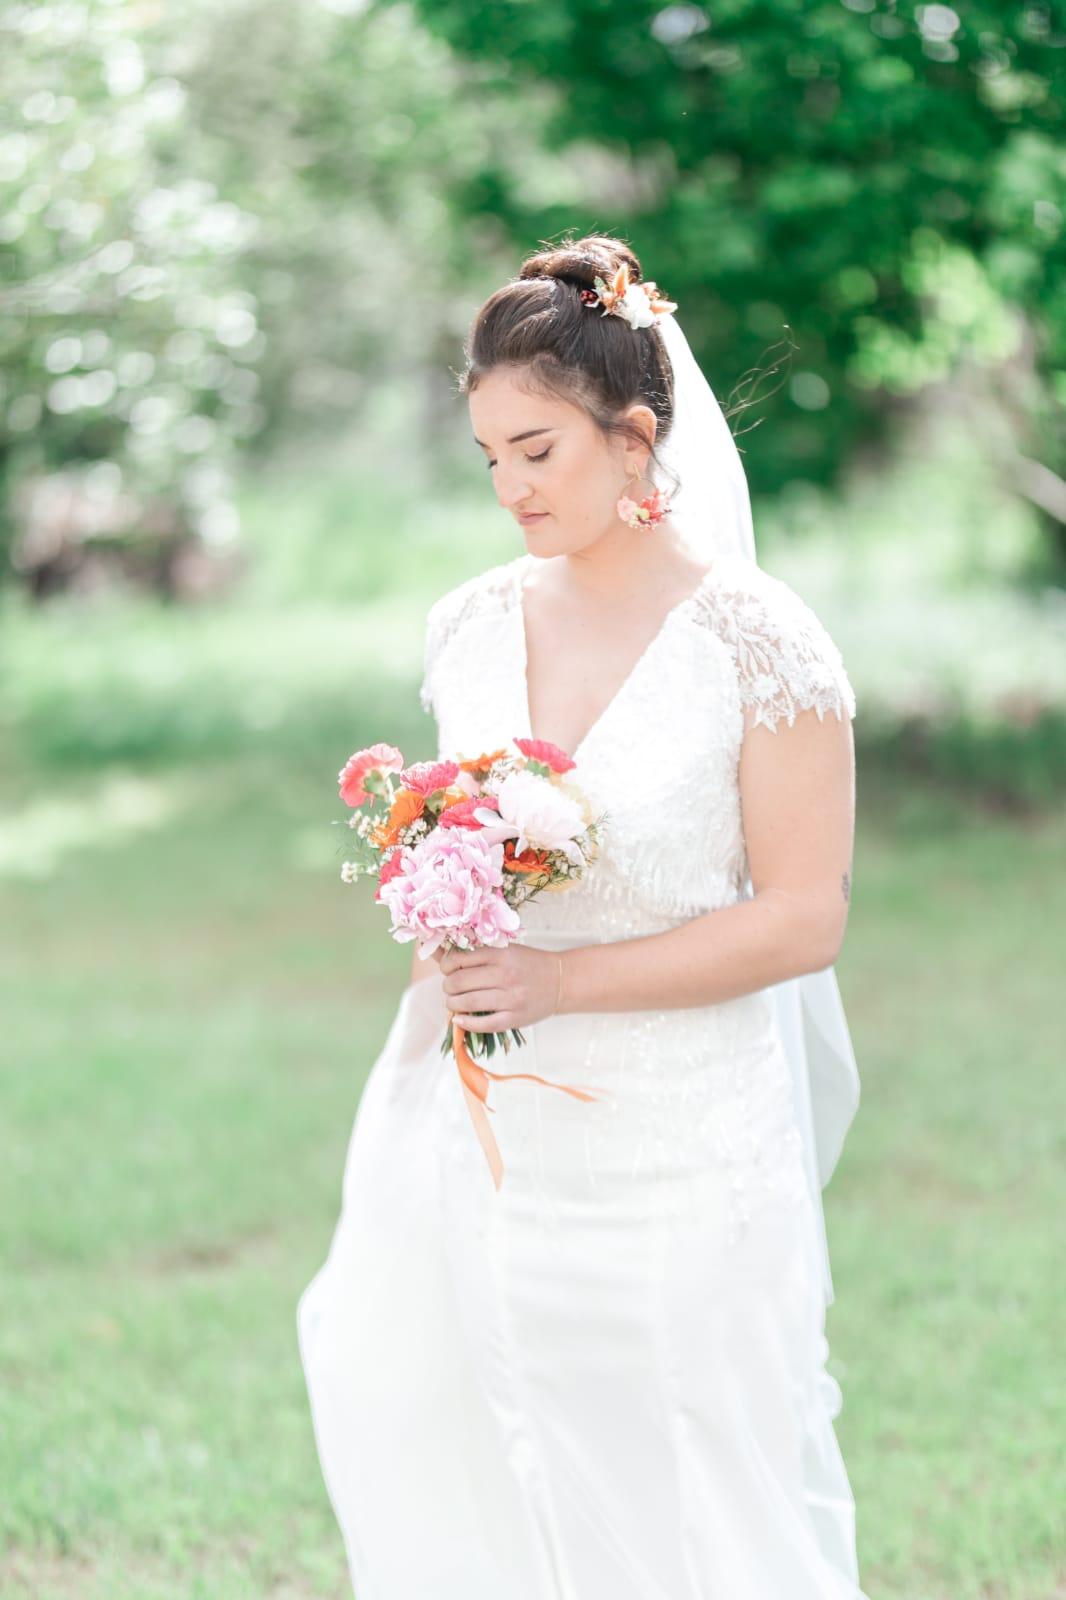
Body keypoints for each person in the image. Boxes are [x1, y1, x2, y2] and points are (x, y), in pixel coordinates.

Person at [297, 233, 870, 1599]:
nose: (509, 488)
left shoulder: (760, 642)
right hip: (484, 1132)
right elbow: (464, 835)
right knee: (493, 1451)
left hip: (680, 1139)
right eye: (489, 455)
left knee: (693, 1473)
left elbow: (803, 918)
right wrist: (436, 892)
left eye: (537, 452)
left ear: (632, 438)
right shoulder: (470, 626)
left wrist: (563, 984)